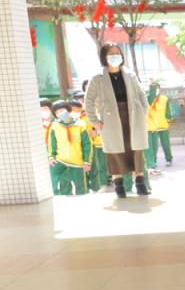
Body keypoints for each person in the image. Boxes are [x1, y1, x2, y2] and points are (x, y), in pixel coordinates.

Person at [84, 43, 151, 198]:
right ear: (104, 56)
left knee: (135, 150)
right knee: (115, 152)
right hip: (110, 119)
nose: (115, 55)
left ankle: (140, 183)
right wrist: (94, 120)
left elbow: (141, 95)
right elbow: (89, 101)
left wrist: (144, 111)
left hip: (133, 116)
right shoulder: (97, 78)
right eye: (111, 53)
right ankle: (119, 186)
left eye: (117, 52)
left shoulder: (130, 75)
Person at [47, 100, 92, 196]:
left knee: (81, 189)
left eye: (62, 110)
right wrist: (51, 156)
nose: (60, 113)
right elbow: (52, 143)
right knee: (62, 187)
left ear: (68, 110)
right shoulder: (55, 126)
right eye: (57, 112)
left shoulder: (81, 125)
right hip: (61, 161)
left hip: (77, 162)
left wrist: (87, 161)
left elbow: (87, 144)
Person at [144, 80, 176, 175]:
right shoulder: (148, 98)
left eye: (158, 88)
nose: (156, 90)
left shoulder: (164, 99)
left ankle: (169, 159)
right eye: (155, 89)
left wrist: (169, 119)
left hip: (163, 125)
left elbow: (168, 111)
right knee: (153, 146)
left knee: (166, 144)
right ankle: (153, 162)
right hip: (153, 126)